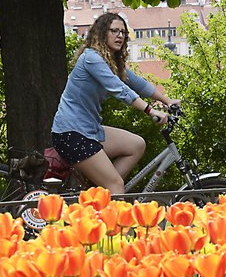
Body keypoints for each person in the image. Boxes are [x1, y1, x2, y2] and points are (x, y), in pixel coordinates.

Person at [51, 12, 179, 193]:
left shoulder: (111, 62)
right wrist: (150, 110)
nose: (120, 35)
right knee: (116, 185)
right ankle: (109, 195)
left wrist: (167, 100)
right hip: (71, 133)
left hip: (89, 129)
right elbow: (119, 89)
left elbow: (136, 83)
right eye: (114, 31)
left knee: (136, 145)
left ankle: (99, 195)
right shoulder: (91, 58)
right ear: (102, 33)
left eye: (123, 32)